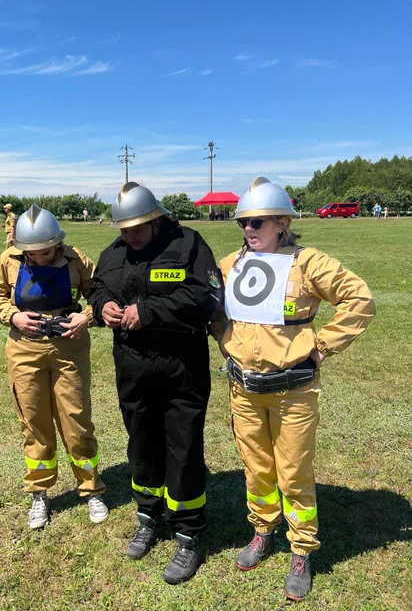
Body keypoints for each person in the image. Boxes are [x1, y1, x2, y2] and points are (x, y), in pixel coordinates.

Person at [212, 177, 375, 601]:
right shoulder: (231, 264)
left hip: (293, 393)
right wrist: (226, 342)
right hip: (243, 390)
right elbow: (208, 307)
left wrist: (321, 346)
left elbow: (359, 299)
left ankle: (301, 549)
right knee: (257, 469)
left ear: (282, 222)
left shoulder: (309, 263)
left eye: (259, 222)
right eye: (244, 222)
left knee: (294, 473)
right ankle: (262, 531)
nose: (249, 229)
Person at [89, 182, 222, 584]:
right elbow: (96, 287)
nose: (129, 237)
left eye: (137, 229)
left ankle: (188, 532)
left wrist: (148, 311)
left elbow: (206, 297)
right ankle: (148, 515)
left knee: (182, 447)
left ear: (155, 218)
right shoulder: (113, 253)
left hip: (182, 366)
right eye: (123, 230)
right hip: (132, 367)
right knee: (141, 441)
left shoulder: (189, 244)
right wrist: (102, 307)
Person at [0, 204, 108, 530]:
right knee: (34, 421)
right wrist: (13, 316)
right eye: (33, 253)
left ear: (58, 242)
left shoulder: (76, 259)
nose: (39, 258)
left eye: (46, 251)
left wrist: (88, 317)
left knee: (76, 420)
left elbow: (100, 295)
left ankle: (91, 488)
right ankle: (40, 492)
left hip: (69, 348)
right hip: (24, 349)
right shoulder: (8, 259)